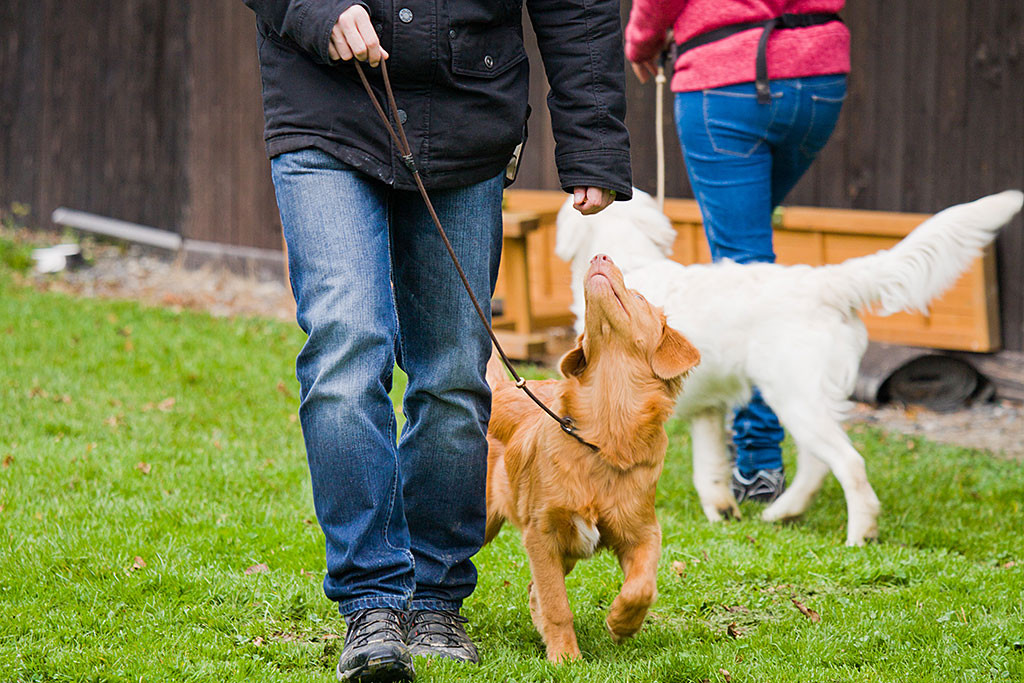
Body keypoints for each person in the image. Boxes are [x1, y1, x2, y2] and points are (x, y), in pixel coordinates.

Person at [242, 1, 631, 680]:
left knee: (453, 371)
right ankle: (372, 602)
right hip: (325, 98)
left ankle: (436, 598)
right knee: (345, 342)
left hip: (466, 112)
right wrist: (316, 9)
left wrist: (593, 138)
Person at [625, 0, 849, 504]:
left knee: (744, 262)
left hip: (728, 79)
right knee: (749, 254)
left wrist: (642, 40)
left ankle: (759, 466)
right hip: (819, 76)